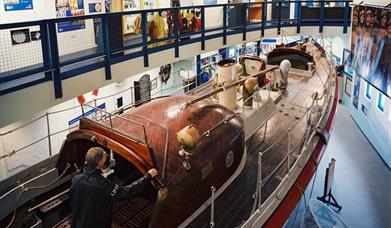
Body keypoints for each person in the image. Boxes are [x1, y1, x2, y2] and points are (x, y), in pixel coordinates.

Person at [70, 147, 158, 228]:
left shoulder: (76, 179)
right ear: (100, 163)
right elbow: (126, 192)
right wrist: (147, 177)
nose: (106, 155)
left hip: (78, 223)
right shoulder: (103, 184)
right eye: (104, 156)